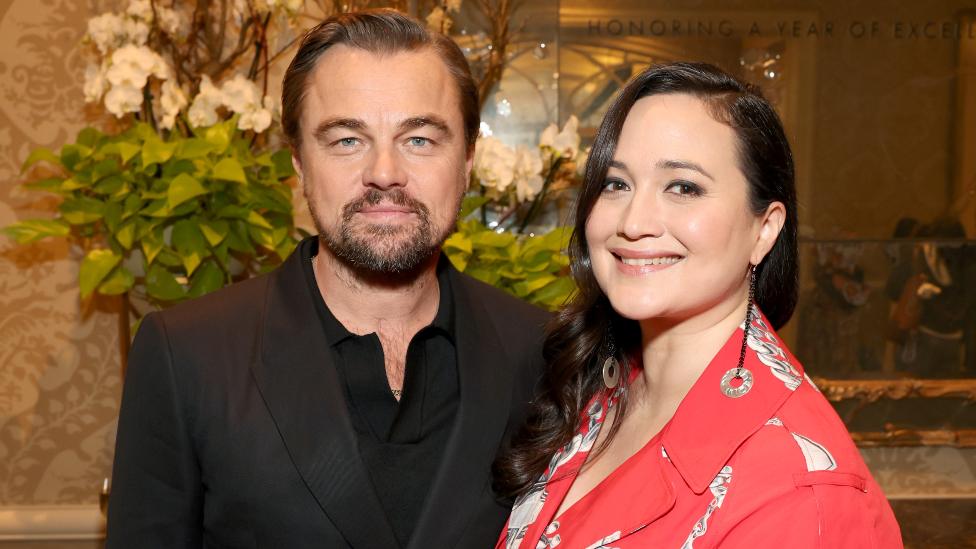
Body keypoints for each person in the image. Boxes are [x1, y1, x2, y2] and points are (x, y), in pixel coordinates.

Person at [106, 10, 548, 549]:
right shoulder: (188, 356)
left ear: (468, 160)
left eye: (420, 140)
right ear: (297, 163)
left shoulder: (545, 354)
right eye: (346, 140)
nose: (384, 172)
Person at [493, 62, 902, 548]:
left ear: (764, 228)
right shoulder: (600, 385)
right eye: (616, 183)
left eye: (683, 187)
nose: (634, 221)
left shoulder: (800, 493)